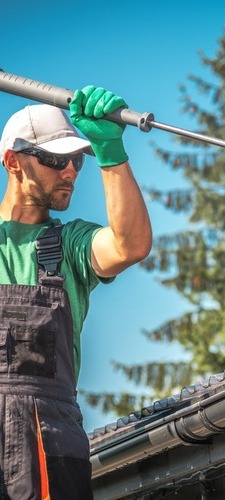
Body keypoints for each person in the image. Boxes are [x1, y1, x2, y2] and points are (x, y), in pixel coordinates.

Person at [0, 86, 152, 499]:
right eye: (54, 159)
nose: (69, 171)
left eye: (76, 160)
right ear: (13, 161)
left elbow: (129, 245)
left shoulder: (70, 243)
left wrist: (110, 152)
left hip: (48, 439)